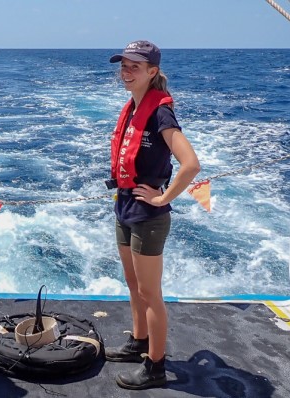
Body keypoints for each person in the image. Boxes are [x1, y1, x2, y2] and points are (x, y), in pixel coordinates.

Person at [104, 40, 200, 390]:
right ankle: (139, 341)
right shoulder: (132, 106)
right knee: (133, 284)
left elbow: (190, 165)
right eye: (123, 65)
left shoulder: (160, 112)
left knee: (150, 293)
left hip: (148, 214)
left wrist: (164, 198)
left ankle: (155, 366)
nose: (126, 72)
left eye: (135, 67)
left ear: (152, 72)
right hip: (125, 205)